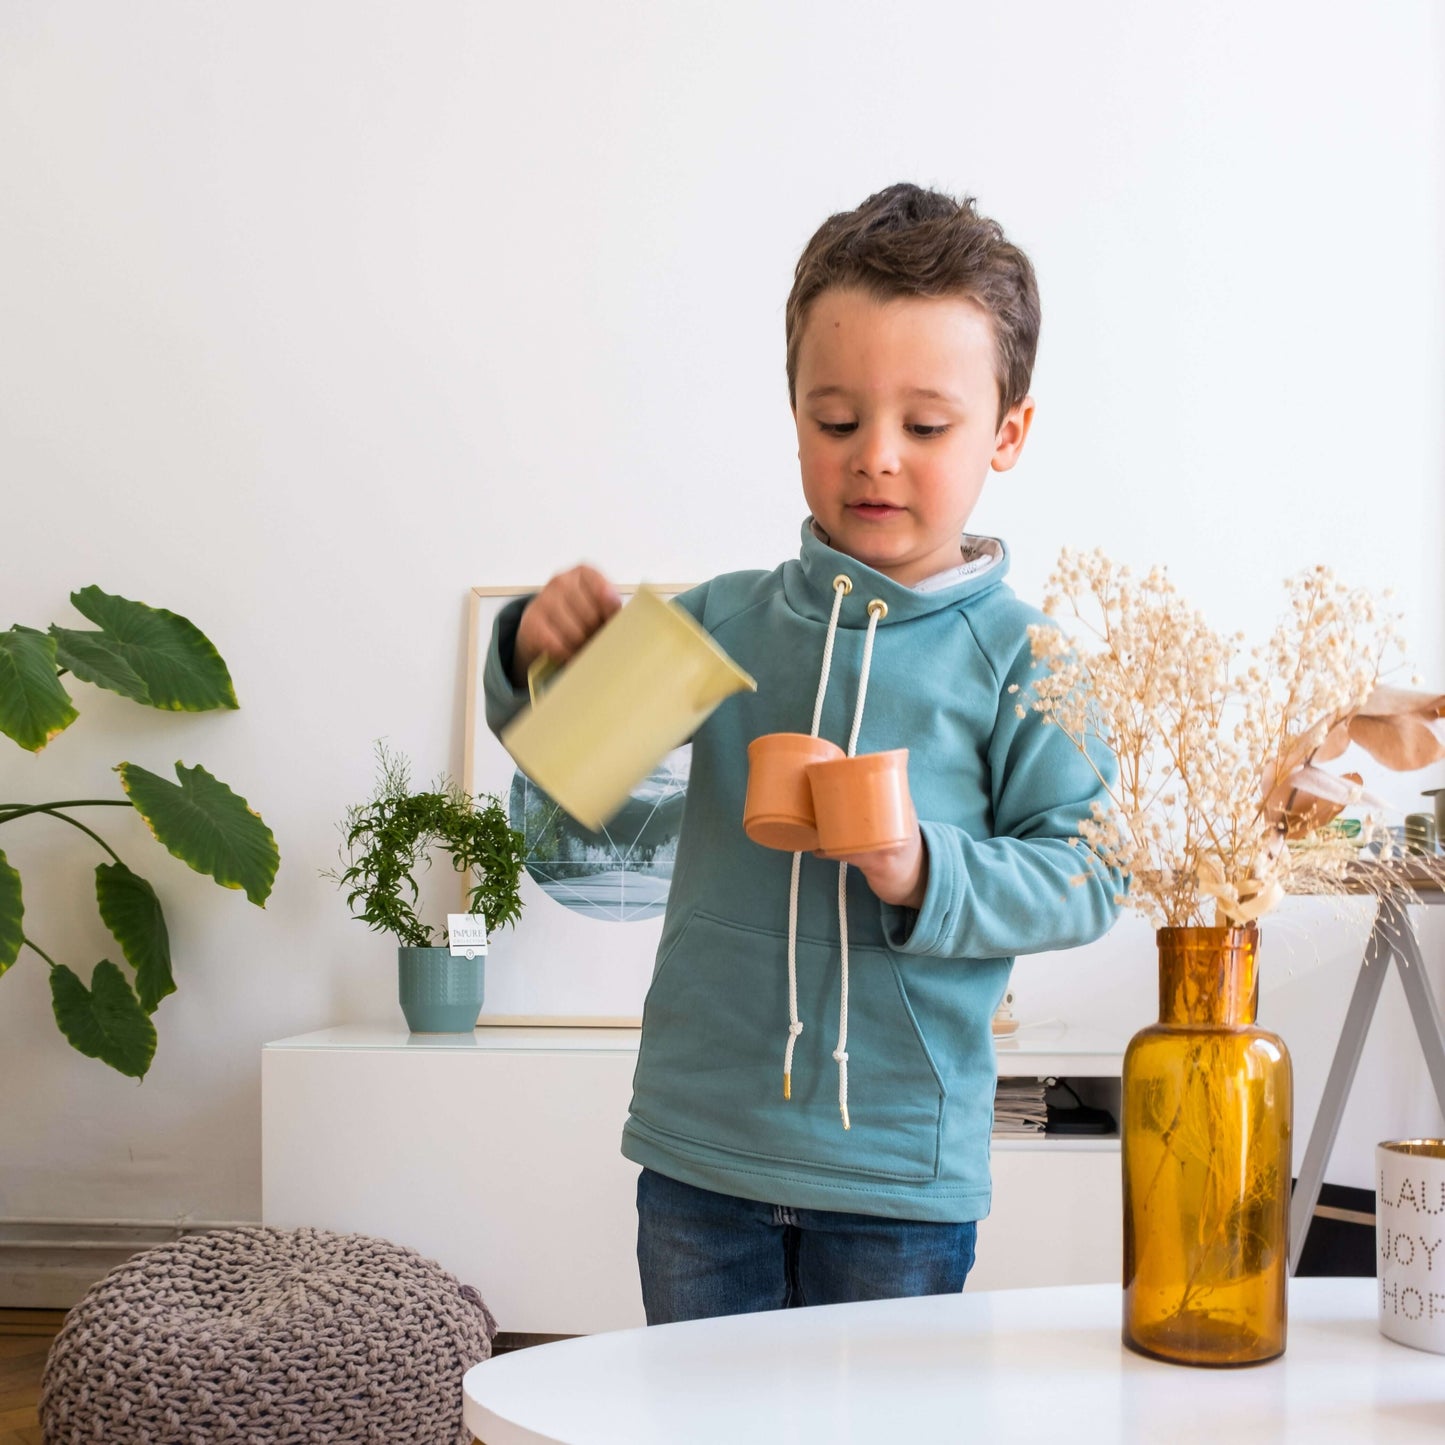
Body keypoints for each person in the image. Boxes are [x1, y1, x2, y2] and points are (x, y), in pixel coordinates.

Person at [482, 182, 1120, 1324]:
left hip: (895, 1174)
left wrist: (919, 866)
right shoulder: (719, 622)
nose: (874, 457)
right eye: (835, 420)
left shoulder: (1027, 660)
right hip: (699, 1155)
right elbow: (565, 788)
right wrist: (539, 652)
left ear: (1006, 432)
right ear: (791, 414)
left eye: (925, 426)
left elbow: (1087, 874)